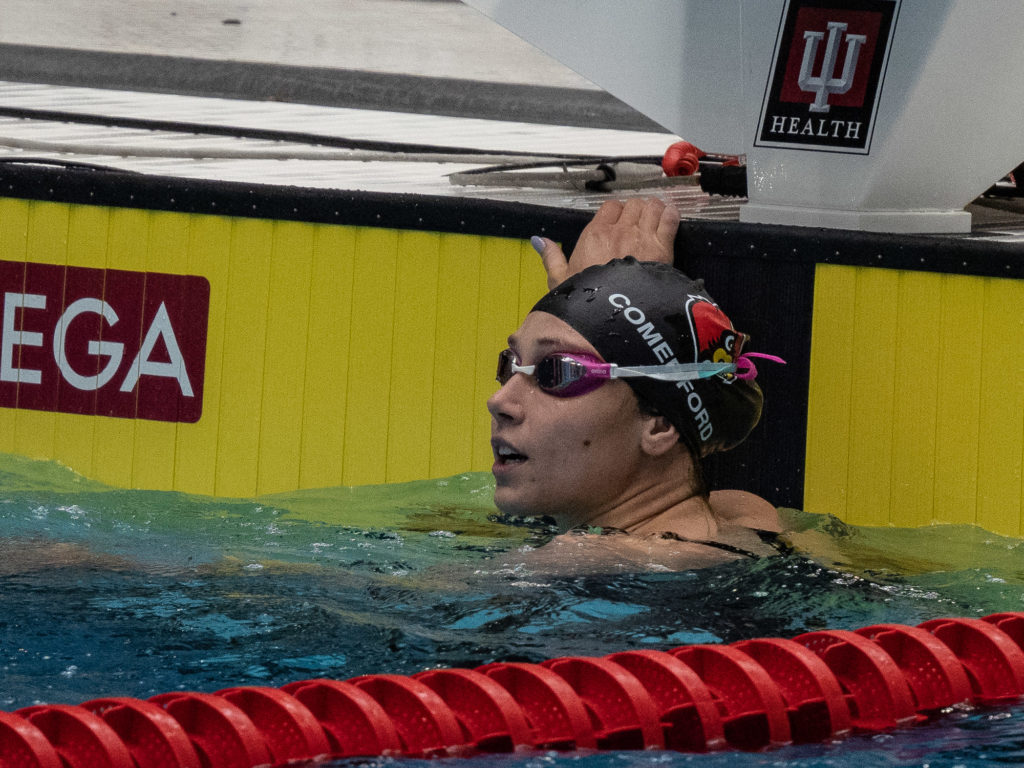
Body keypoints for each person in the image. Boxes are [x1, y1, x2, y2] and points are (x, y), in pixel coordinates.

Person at [487, 198, 781, 569]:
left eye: (557, 372)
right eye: (511, 364)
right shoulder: (750, 520)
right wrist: (603, 296)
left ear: (660, 424)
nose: (499, 400)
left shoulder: (581, 560)